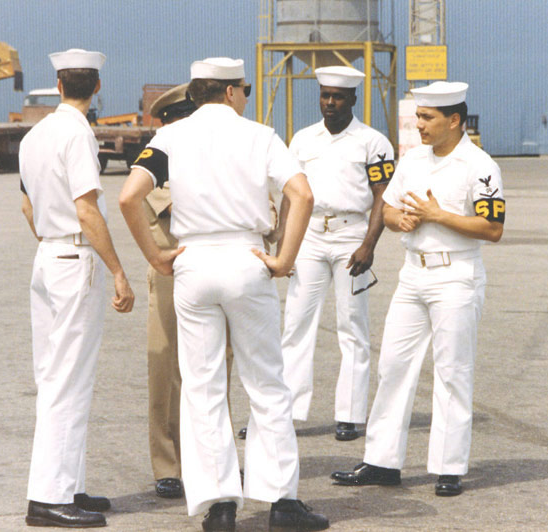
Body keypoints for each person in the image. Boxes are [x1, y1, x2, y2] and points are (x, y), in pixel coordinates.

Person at [119, 57, 328, 532]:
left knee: (202, 387)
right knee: (266, 383)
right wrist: (285, 259)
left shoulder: (170, 137)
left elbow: (129, 196)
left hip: (193, 262)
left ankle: (219, 506)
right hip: (245, 258)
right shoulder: (260, 135)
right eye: (244, 90)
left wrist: (155, 255)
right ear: (232, 91)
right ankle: (281, 501)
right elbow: (302, 195)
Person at [331, 81, 505, 497]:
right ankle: (382, 461)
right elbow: (389, 208)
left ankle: (448, 467)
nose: (419, 125)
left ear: (454, 120)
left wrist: (437, 215)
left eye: (427, 118)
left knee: (452, 372)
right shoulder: (412, 160)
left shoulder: (480, 166)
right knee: (393, 365)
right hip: (413, 274)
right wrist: (399, 221)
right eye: (418, 117)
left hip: (455, 275)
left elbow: (493, 228)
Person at [19, 48, 135, 528]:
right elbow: (87, 209)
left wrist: (51, 240)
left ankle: (69, 484)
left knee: (53, 374)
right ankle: (48, 498)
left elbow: (27, 206)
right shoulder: (79, 134)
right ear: (97, 87)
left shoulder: (35, 135)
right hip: (74, 258)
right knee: (69, 379)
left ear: (59, 84)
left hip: (48, 256)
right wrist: (118, 270)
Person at [279, 65, 395, 442]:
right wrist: (284, 243)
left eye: (339, 97)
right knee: (296, 323)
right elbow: (290, 194)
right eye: (325, 95)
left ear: (353, 99)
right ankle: (286, 413)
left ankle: (350, 414)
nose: (330, 102)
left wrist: (369, 245)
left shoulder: (373, 142)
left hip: (351, 236)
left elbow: (382, 196)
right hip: (310, 235)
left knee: (352, 325)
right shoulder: (303, 139)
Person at [142, 83, 198, 500]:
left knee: (215, 365)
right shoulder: (156, 159)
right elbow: (183, 207)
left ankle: (207, 457)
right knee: (165, 364)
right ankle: (167, 464)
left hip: (214, 264)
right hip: (171, 267)